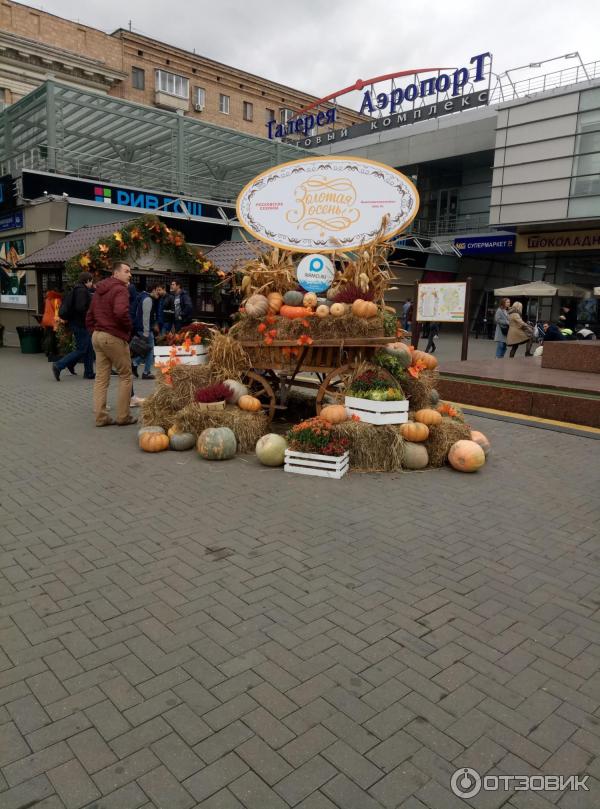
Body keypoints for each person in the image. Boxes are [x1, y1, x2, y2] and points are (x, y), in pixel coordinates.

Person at [86, 262, 137, 427]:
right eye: (126, 271)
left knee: (101, 378)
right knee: (125, 375)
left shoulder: (99, 290)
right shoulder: (121, 289)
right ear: (116, 273)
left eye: (130, 272)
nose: (130, 275)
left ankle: (101, 417)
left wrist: (94, 331)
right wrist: (128, 329)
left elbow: (89, 315)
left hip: (97, 336)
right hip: (113, 336)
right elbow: (121, 312)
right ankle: (123, 416)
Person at [52, 272, 95, 381]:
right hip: (80, 324)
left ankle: (89, 372)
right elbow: (80, 308)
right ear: (87, 281)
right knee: (82, 349)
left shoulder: (77, 289)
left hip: (78, 323)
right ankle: (59, 365)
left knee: (88, 348)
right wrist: (89, 313)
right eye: (91, 280)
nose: (92, 283)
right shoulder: (81, 291)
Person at [132, 284, 160, 380]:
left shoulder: (144, 297)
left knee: (147, 350)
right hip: (145, 329)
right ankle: (146, 372)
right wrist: (146, 332)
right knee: (150, 350)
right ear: (153, 290)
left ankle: (135, 363)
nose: (159, 293)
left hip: (142, 328)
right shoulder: (148, 299)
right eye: (157, 290)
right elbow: (145, 317)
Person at [40, 287, 64, 363]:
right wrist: (58, 322)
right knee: (53, 337)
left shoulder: (47, 299)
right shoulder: (56, 299)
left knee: (48, 335)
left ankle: (47, 351)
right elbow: (57, 312)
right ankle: (52, 352)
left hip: (46, 319)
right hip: (52, 320)